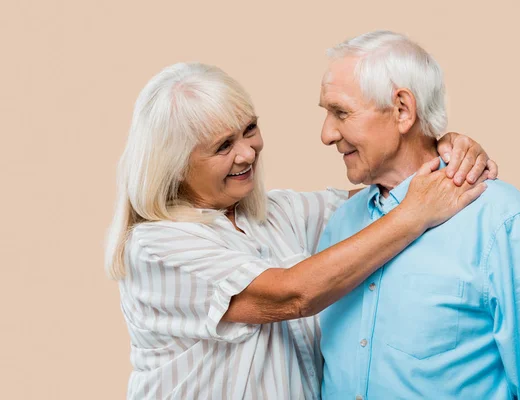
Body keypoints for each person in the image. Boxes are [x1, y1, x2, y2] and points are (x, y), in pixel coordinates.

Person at [105, 62, 495, 399]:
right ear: (174, 165)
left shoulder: (277, 213)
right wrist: (415, 214)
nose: (248, 152)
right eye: (223, 146)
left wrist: (438, 151)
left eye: (249, 129)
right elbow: (295, 294)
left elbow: (386, 194)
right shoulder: (155, 246)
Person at [317, 30, 520, 399]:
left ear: (402, 110)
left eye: (340, 112)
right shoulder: (338, 225)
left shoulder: (499, 218)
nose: (326, 134)